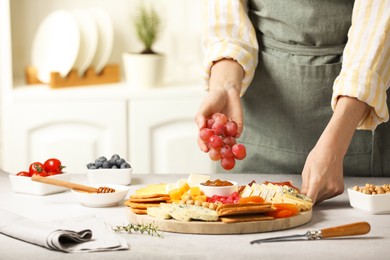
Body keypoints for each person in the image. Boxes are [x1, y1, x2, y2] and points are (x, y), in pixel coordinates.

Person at [195, 0, 390, 204]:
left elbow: (377, 24)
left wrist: (337, 143)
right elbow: (223, 11)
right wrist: (224, 85)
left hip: (357, 123)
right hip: (259, 119)